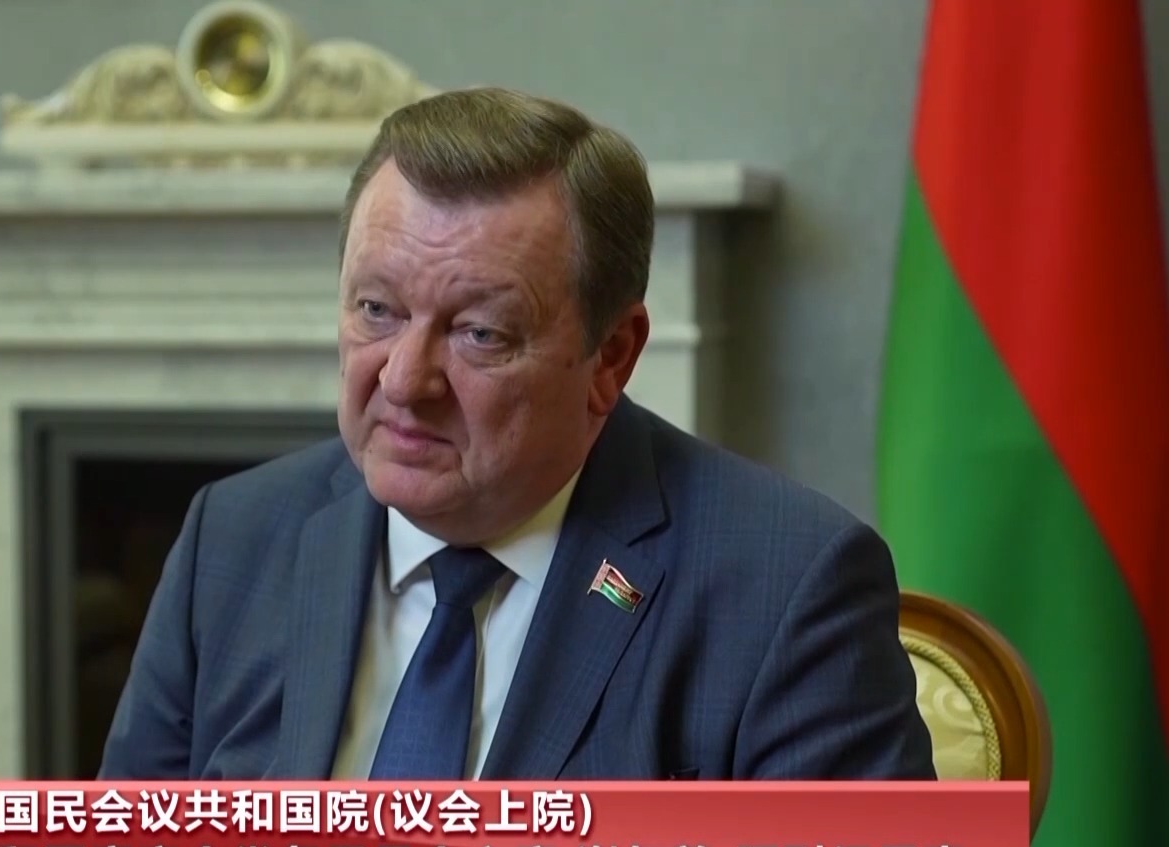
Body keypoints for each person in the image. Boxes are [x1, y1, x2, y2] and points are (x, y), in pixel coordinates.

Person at [98, 86, 935, 787]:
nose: (403, 381)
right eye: (377, 310)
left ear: (611, 356)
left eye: (480, 334)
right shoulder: (233, 539)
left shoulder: (784, 587)